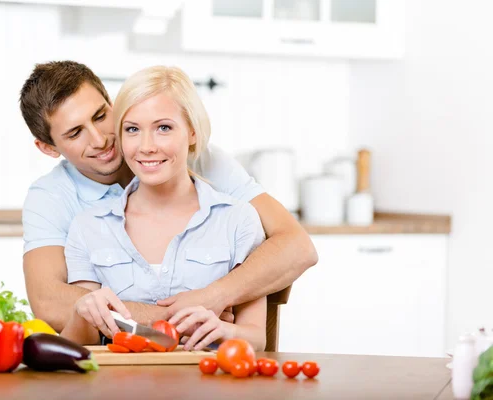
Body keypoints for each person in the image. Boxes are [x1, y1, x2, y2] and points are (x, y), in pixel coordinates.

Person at [19, 60, 318, 334]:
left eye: (100, 117)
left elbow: (297, 247)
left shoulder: (200, 159)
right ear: (48, 148)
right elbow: (49, 303)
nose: (100, 140)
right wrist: (179, 319)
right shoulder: (52, 198)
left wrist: (215, 296)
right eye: (75, 133)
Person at [61, 66, 266, 350]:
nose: (146, 146)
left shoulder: (237, 220)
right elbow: (81, 347)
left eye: (164, 128)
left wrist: (223, 331)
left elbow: (256, 339)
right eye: (132, 129)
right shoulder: (89, 227)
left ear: (192, 132)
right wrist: (81, 311)